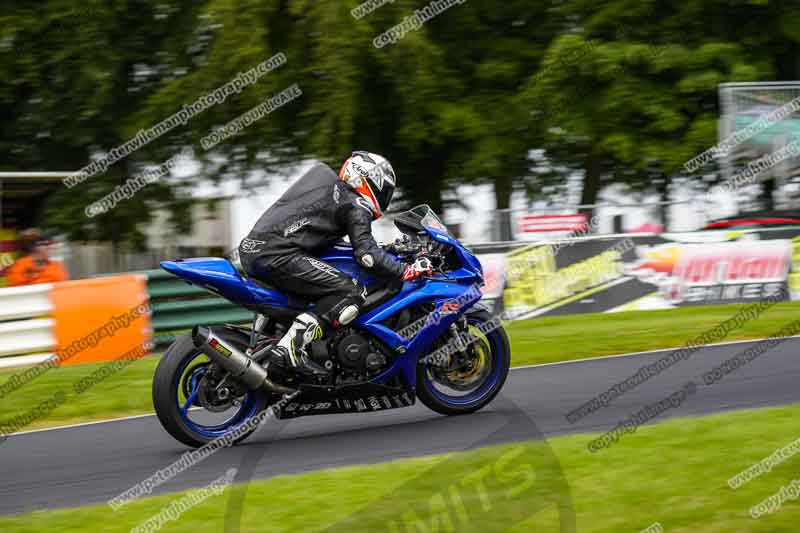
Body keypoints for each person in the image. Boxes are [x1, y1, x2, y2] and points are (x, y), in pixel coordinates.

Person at [238, 151, 432, 376]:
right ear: (368, 179)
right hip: (277, 255)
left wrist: (388, 249)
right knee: (352, 291)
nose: (385, 196)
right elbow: (366, 255)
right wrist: (405, 270)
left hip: (258, 250)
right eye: (385, 190)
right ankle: (290, 348)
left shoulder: (334, 192)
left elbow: (338, 243)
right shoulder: (356, 203)